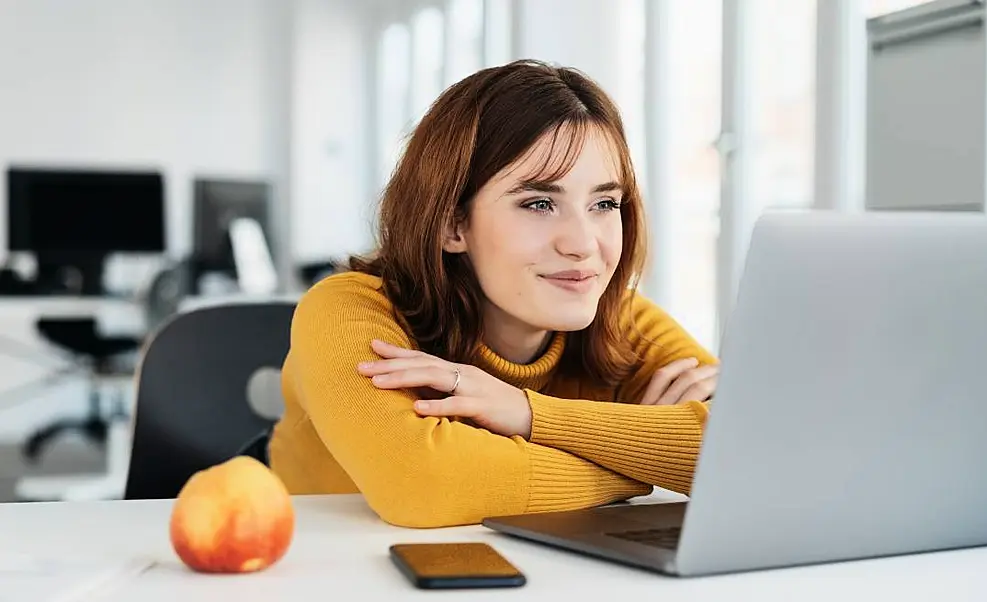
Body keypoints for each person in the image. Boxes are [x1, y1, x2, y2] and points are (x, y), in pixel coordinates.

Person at [269, 59, 719, 528]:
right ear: (452, 223)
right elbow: (424, 483)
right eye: (539, 203)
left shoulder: (621, 320)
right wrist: (639, 461)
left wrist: (527, 414)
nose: (585, 244)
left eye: (604, 203)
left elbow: (769, 451)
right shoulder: (346, 314)